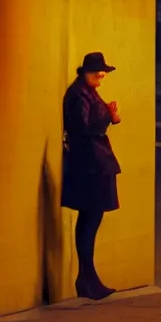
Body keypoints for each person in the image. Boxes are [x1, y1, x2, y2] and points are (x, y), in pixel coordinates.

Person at [61, 52, 121, 300]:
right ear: (85, 71)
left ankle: (88, 278)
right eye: (97, 71)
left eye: (103, 71)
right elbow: (84, 127)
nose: (102, 75)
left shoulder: (87, 91)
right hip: (90, 163)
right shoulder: (79, 94)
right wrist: (109, 115)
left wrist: (111, 115)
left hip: (95, 161)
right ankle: (87, 278)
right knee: (90, 218)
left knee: (91, 219)